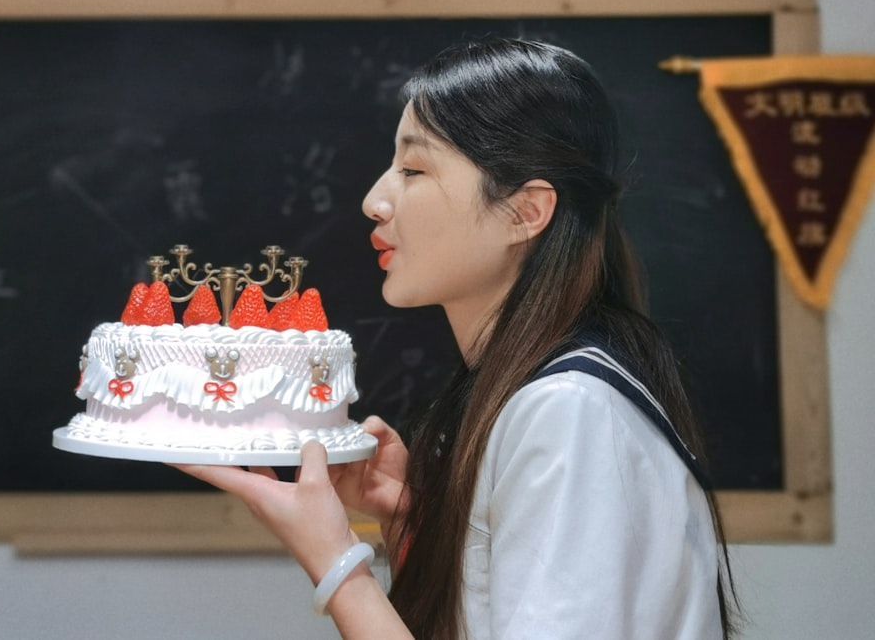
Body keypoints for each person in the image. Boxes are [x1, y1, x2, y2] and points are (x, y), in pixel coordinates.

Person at [174, 38, 739, 639]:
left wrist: (336, 560)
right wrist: (423, 525)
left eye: (413, 169)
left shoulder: (569, 412)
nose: (374, 200)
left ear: (526, 212)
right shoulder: (528, 394)